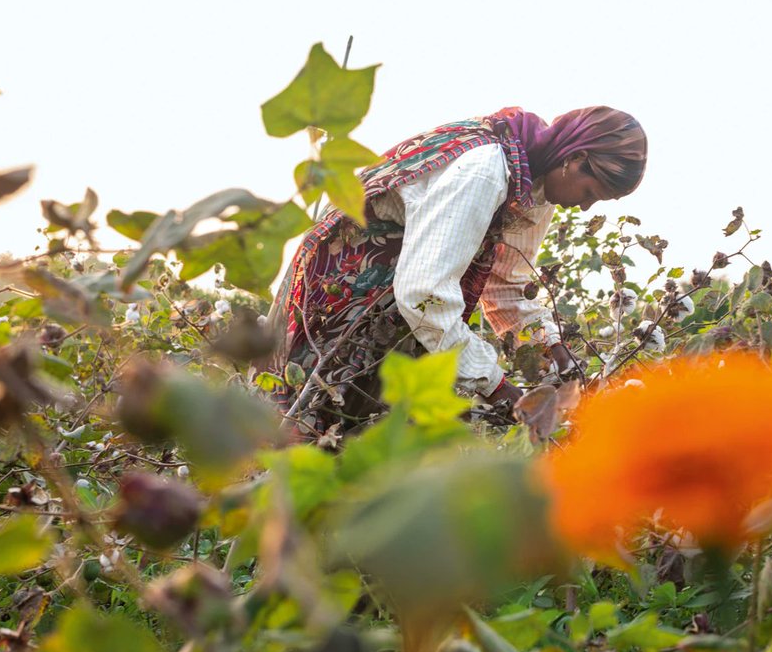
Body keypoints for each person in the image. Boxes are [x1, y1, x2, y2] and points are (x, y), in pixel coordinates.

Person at [265, 105, 647, 432]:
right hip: (341, 299)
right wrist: (496, 386)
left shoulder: (532, 183)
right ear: (574, 159)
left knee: (359, 442)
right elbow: (424, 293)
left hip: (384, 308)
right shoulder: (485, 170)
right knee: (308, 430)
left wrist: (552, 346)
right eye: (590, 193)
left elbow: (506, 285)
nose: (585, 207)